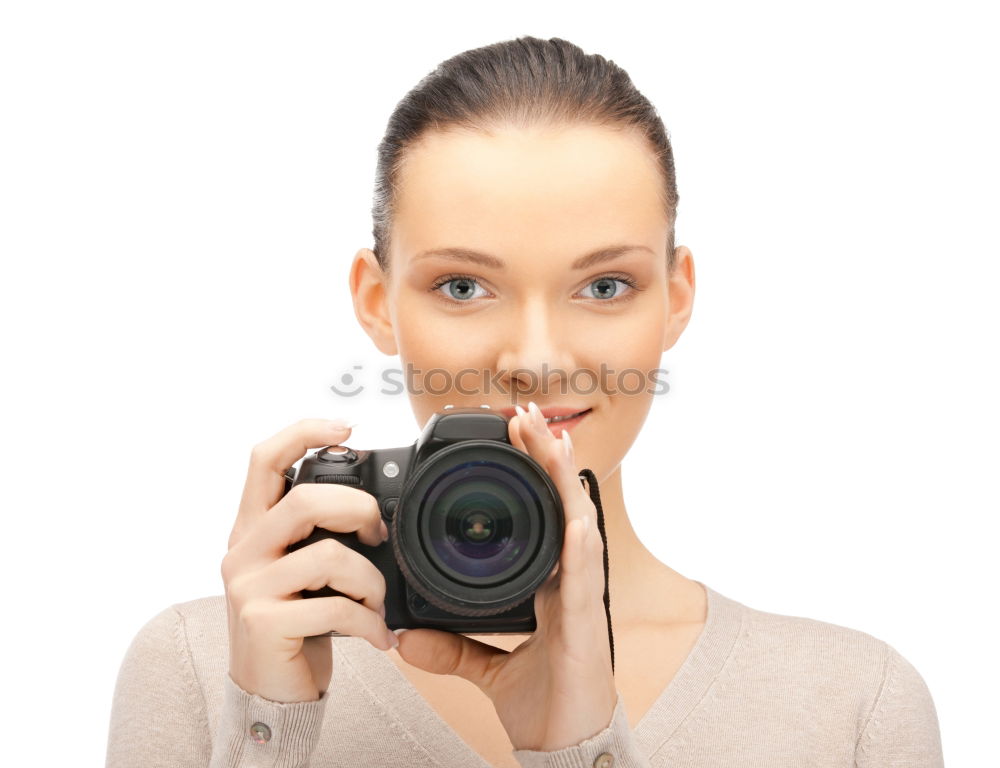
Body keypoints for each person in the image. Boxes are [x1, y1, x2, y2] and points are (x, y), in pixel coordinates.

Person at [105, 36, 944, 768]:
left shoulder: (851, 708)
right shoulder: (199, 666)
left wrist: (580, 749)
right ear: (376, 301)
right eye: (463, 285)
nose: (537, 361)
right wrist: (269, 732)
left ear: (676, 299)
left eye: (605, 284)